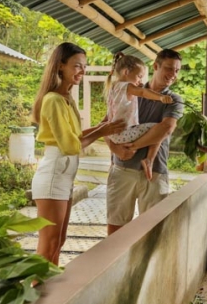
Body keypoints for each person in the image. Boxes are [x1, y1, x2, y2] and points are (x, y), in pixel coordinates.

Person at [31, 42, 126, 265]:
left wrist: (103, 125)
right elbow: (70, 146)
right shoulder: (53, 99)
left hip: (63, 177)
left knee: (59, 241)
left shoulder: (65, 98)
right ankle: (34, 295)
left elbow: (74, 135)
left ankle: (49, 291)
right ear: (60, 65)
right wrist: (103, 130)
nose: (81, 72)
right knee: (49, 244)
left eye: (84, 67)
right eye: (77, 66)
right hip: (53, 177)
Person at [105, 49, 184, 235]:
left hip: (154, 173)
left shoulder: (173, 100)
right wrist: (116, 149)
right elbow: (107, 127)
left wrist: (133, 147)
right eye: (169, 68)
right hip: (122, 169)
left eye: (177, 71)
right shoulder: (130, 90)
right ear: (155, 66)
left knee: (152, 232)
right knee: (116, 230)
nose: (173, 75)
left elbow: (166, 128)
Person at [104, 52, 173, 180]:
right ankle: (149, 160)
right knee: (157, 129)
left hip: (114, 134)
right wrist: (161, 97)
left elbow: (135, 91)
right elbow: (142, 92)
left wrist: (135, 85)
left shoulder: (114, 87)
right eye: (139, 76)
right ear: (126, 72)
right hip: (124, 133)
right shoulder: (127, 86)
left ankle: (140, 160)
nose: (140, 80)